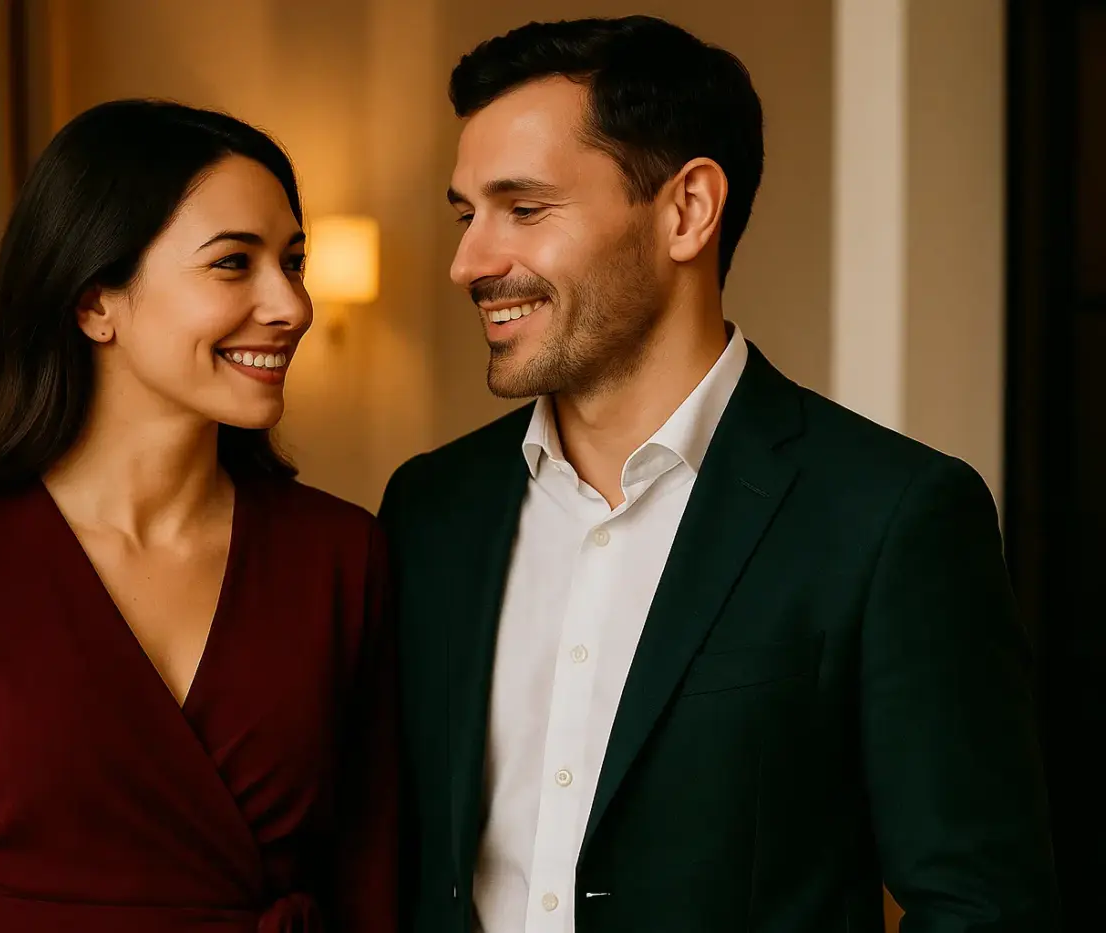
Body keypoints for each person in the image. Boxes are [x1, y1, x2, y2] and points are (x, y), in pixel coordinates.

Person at [379, 16, 1057, 933]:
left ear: (688, 209)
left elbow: (980, 906)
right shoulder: (429, 511)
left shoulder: (891, 516)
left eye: (525, 209)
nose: (470, 260)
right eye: (468, 214)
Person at [0, 99, 396, 933]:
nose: (294, 305)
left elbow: (373, 888)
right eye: (235, 263)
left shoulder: (343, 555)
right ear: (95, 302)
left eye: (293, 262)